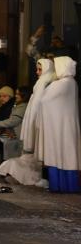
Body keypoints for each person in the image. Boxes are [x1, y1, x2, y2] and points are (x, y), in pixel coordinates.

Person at [36, 56, 81, 192]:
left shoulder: (61, 83)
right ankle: (67, 185)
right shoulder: (72, 82)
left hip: (57, 126)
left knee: (57, 153)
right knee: (67, 155)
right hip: (64, 124)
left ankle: (59, 185)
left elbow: (44, 99)